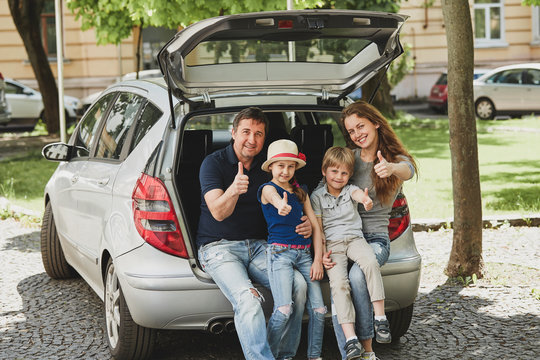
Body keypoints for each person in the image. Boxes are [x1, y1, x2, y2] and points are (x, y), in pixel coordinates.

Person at [196, 107, 312, 360]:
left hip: (260, 246)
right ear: (233, 132)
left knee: (298, 286)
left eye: (258, 134)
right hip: (218, 247)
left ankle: (284, 355)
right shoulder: (213, 163)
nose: (252, 139)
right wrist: (234, 190)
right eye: (246, 131)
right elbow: (217, 212)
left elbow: (291, 204)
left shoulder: (270, 169)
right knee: (248, 300)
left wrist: (305, 224)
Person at [323, 101, 417, 360]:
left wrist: (390, 169)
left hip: (375, 240)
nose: (356, 134)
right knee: (339, 283)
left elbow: (407, 170)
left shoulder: (394, 161)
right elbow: (326, 189)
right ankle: (354, 351)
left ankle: (368, 347)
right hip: (343, 238)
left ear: (376, 123)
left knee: (357, 277)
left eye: (360, 126)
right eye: (351, 131)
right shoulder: (349, 159)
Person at [311, 146, 390, 359]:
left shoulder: (350, 190)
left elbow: (357, 194)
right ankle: (350, 339)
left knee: (370, 263)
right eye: (334, 171)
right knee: (339, 284)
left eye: (344, 173)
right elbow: (318, 228)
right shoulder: (316, 196)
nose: (339, 177)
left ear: (350, 175)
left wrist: (364, 200)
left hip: (355, 240)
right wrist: (321, 254)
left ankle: (380, 317)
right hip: (334, 246)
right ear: (324, 171)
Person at [258, 139, 326, 360]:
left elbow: (315, 226)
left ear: (296, 167)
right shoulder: (268, 188)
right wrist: (281, 205)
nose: (285, 171)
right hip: (280, 254)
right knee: (284, 309)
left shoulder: (301, 191)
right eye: (280, 165)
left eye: (290, 166)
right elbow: (273, 197)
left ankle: (314, 356)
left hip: (305, 256)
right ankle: (268, 355)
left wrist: (317, 260)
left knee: (319, 309)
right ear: (270, 167)